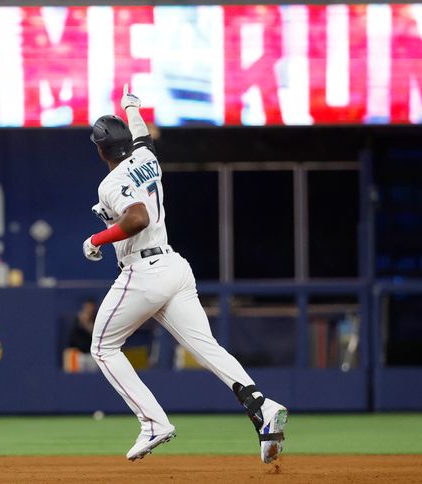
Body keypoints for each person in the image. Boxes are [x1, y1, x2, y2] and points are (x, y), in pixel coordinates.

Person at [82, 85, 288, 463]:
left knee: (102, 346)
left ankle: (152, 422)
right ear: (126, 142)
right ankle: (262, 407)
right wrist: (132, 107)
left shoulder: (109, 183)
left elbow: (137, 217)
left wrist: (97, 238)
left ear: (99, 150)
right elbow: (143, 137)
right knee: (206, 347)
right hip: (175, 267)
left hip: (144, 270)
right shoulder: (146, 157)